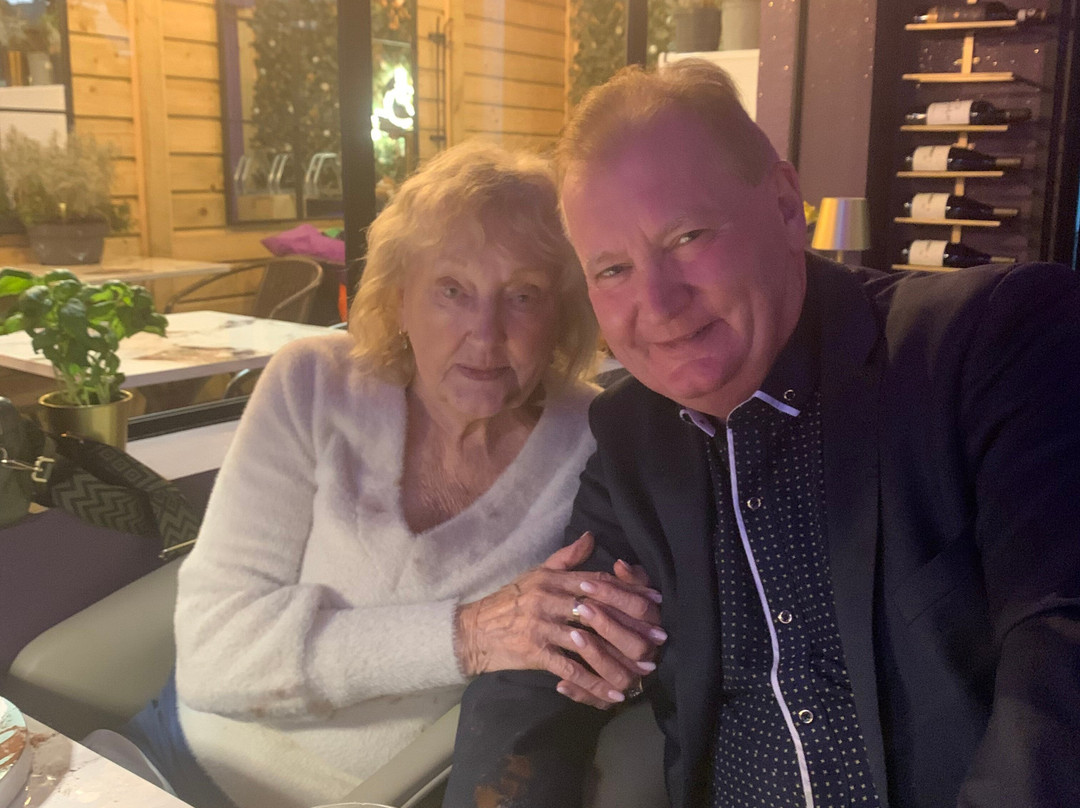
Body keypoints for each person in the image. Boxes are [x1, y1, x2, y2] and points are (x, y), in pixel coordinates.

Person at [443, 61, 1080, 808]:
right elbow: (537, 673)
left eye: (687, 237)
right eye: (612, 270)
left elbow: (1058, 652)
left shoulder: (986, 344)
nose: (658, 303)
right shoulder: (633, 438)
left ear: (784, 206)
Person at [105, 142, 663, 808]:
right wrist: (467, 635)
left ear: (564, 314)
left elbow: (603, 652)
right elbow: (213, 659)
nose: (485, 335)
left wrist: (619, 654)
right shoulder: (313, 382)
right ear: (400, 299)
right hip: (175, 758)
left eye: (523, 296)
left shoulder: (597, 442)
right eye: (452, 290)